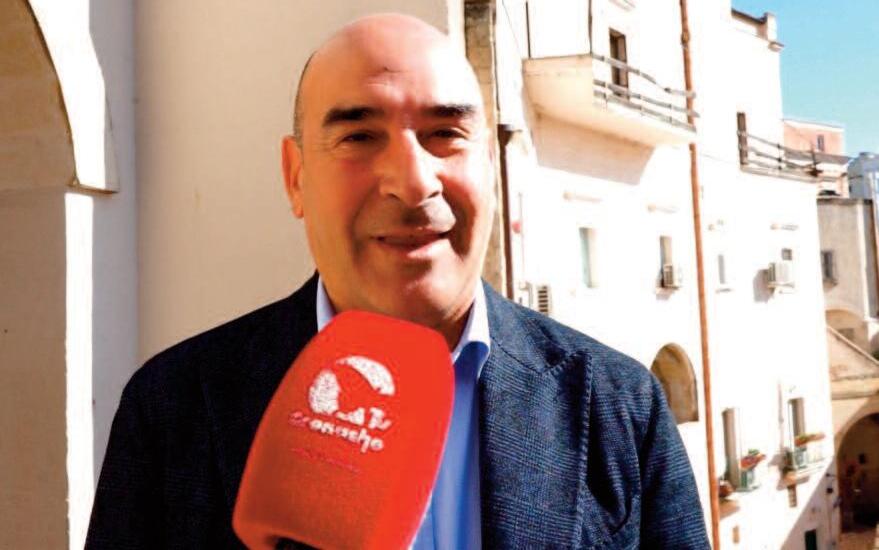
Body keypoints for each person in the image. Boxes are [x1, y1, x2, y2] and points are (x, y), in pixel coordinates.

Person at [86, 13, 709, 549]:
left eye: (446, 135)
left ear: (490, 168)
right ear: (296, 177)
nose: (413, 183)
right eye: (359, 136)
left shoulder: (620, 405)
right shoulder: (172, 408)